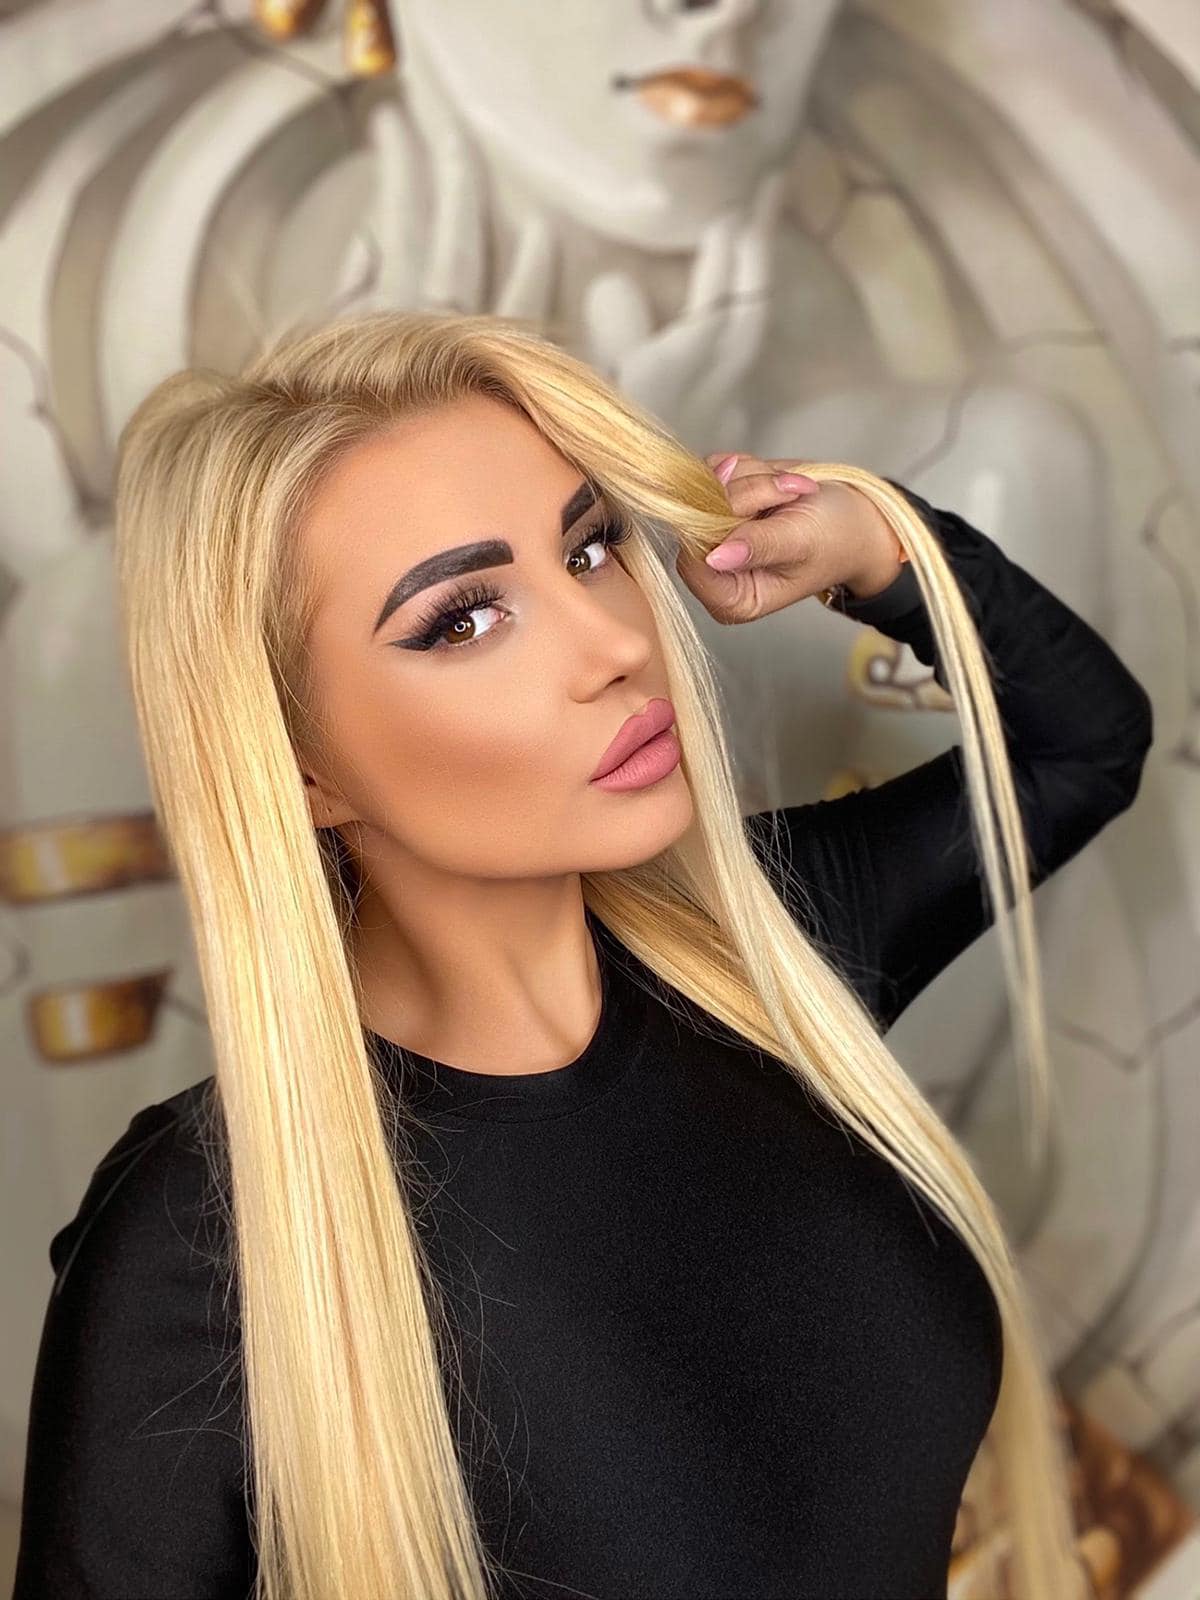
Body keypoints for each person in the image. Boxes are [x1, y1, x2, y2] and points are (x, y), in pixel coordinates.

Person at [12, 310, 1151, 1600]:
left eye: (591, 547)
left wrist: (871, 546)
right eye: (462, 619)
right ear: (302, 766)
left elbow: (1081, 745)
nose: (617, 645)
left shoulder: (767, 957)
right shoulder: (211, 1238)